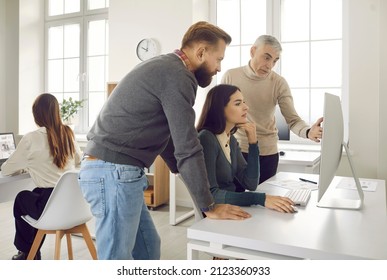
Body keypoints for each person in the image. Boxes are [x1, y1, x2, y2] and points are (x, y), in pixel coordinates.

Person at [78, 21, 251, 260]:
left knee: (148, 248)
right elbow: (188, 147)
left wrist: (181, 172)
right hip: (113, 171)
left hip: (118, 171)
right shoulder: (179, 76)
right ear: (201, 52)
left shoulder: (168, 68)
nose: (219, 68)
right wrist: (208, 205)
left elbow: (171, 137)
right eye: (218, 59)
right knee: (116, 258)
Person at [221, 35, 323, 183]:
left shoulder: (279, 83)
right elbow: (219, 114)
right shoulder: (231, 76)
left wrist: (308, 132)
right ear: (253, 51)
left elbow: (293, 120)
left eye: (274, 61)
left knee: (264, 203)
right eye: (266, 58)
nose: (269, 65)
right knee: (236, 202)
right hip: (236, 150)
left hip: (267, 154)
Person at [1, 93, 82, 260]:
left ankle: (27, 253)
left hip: (49, 207)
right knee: (34, 197)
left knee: (22, 198)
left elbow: (6, 169)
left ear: (37, 114)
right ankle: (31, 251)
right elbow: (78, 160)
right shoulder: (68, 134)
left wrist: (27, 167)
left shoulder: (31, 138)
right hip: (72, 207)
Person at [197, 84, 295, 213]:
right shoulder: (207, 138)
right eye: (238, 104)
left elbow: (250, 183)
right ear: (220, 109)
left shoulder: (230, 139)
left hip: (233, 208)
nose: (246, 107)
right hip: (218, 214)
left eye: (244, 102)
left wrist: (253, 142)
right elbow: (211, 194)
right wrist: (261, 199)